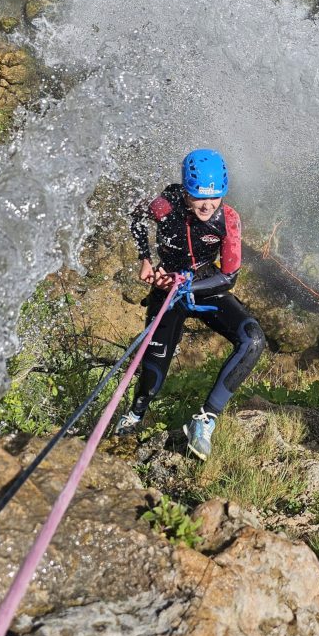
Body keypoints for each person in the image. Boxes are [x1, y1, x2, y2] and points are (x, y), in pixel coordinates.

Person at [116, 148, 266, 460]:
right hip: (168, 290)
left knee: (252, 339)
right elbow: (136, 217)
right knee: (154, 368)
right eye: (199, 196)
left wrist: (188, 284)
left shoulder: (228, 219)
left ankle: (206, 419)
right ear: (186, 191)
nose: (208, 205)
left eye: (215, 197)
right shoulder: (165, 205)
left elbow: (229, 276)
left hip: (204, 286)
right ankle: (135, 415)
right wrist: (145, 259)